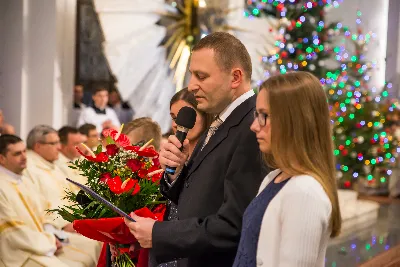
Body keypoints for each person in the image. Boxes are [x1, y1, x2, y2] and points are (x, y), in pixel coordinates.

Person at [124, 32, 268, 267]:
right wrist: (176, 172)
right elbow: (198, 196)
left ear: (235, 77)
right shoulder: (222, 119)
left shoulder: (251, 128)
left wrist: (159, 235)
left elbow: (234, 225)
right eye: (192, 75)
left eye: (201, 76)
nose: (191, 86)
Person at [233, 72, 342, 267]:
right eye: (256, 115)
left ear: (294, 120)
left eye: (263, 116)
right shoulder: (274, 178)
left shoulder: (305, 193)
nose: (254, 126)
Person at [0, 134, 90, 267]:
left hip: (43, 240)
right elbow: (12, 231)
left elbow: (45, 209)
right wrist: (49, 241)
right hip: (20, 253)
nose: (25, 157)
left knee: (93, 247)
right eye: (17, 153)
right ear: (2, 158)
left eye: (25, 151)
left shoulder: (23, 180)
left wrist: (53, 233)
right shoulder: (2, 187)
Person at [24, 125, 101, 265]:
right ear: (37, 146)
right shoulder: (29, 169)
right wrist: (62, 226)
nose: (59, 147)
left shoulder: (50, 165)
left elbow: (71, 193)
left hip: (73, 221)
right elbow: (39, 204)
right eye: (54, 143)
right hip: (57, 228)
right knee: (97, 245)